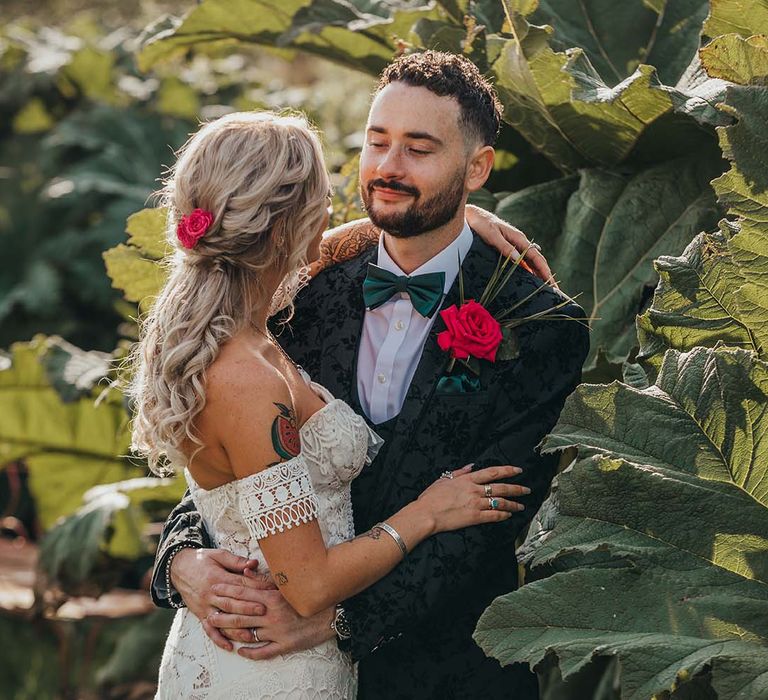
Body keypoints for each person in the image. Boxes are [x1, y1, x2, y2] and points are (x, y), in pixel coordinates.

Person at [151, 51, 590, 699]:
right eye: (377, 143)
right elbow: (234, 459)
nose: (388, 167)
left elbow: (490, 517)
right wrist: (179, 559)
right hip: (260, 654)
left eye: (419, 148)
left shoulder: (537, 322)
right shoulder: (294, 289)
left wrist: (340, 623)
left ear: (477, 168)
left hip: (438, 672)